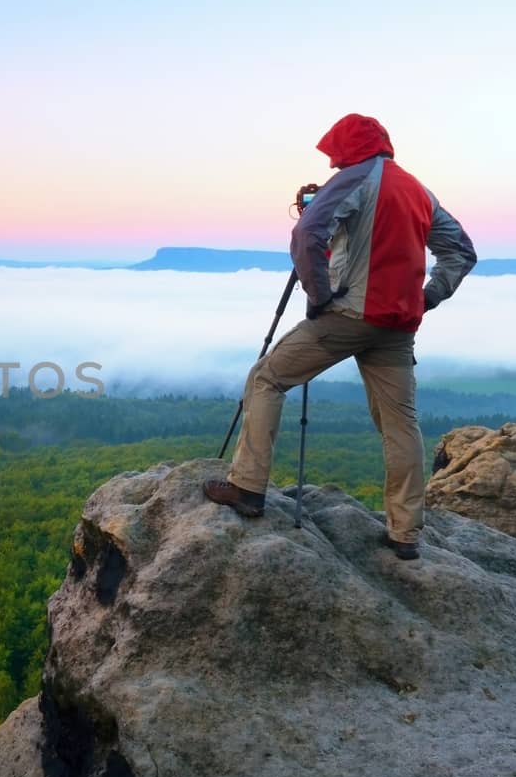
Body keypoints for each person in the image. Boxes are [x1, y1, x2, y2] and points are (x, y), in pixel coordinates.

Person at [204, 113, 477, 560]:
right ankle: (405, 533)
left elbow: (308, 232)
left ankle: (247, 487)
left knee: (267, 378)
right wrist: (427, 298)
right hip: (398, 326)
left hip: (349, 315)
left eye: (336, 153)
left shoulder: (356, 178)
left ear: (350, 148)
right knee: (400, 424)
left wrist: (318, 295)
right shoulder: (417, 190)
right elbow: (461, 251)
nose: (332, 163)